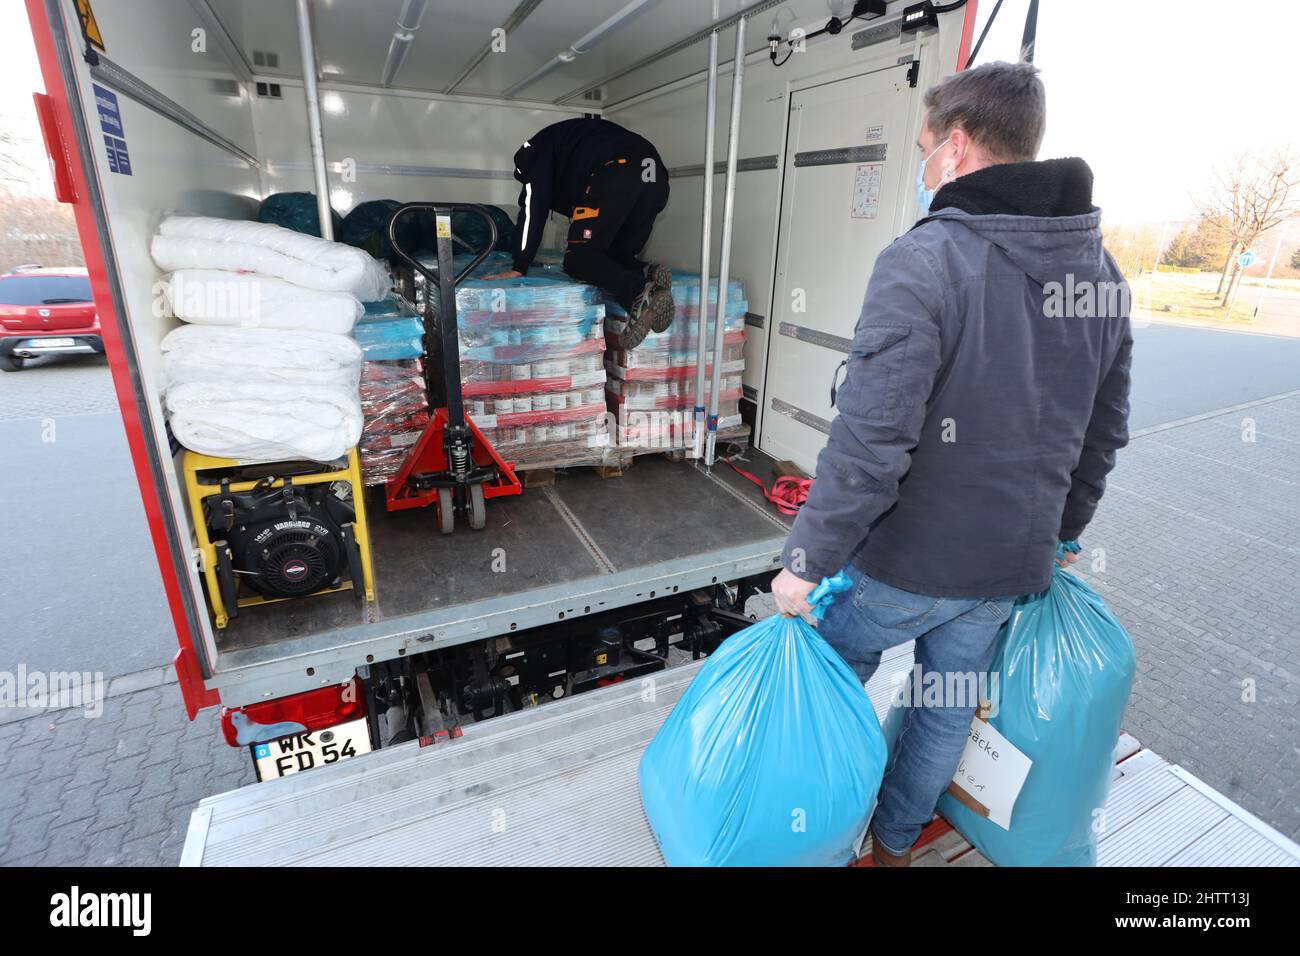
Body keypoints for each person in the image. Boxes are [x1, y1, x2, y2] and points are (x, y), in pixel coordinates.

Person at [769, 61, 1133, 866]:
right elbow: (1103, 432)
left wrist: (805, 561)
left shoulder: (925, 260)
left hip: (907, 561)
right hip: (1008, 567)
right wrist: (1063, 532)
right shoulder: (1102, 275)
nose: (923, 163)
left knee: (814, 688)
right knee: (944, 707)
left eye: (926, 145)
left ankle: (796, 833)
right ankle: (896, 845)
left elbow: (872, 442)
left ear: (958, 148)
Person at [484, 117, 673, 349]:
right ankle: (645, 272)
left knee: (578, 260)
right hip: (656, 177)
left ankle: (639, 293)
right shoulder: (571, 146)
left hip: (620, 168)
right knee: (610, 255)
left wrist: (519, 264)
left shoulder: (532, 152)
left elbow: (534, 204)